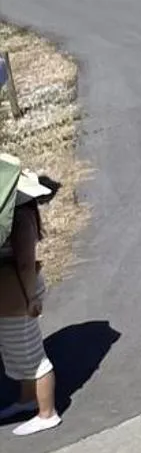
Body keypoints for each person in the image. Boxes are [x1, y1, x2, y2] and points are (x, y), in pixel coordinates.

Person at [0, 153, 59, 436]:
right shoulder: (20, 215)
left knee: (32, 355)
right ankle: (27, 400)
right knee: (16, 351)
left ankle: (47, 413)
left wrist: (31, 301)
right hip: (15, 292)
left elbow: (25, 264)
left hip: (21, 292)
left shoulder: (21, 220)